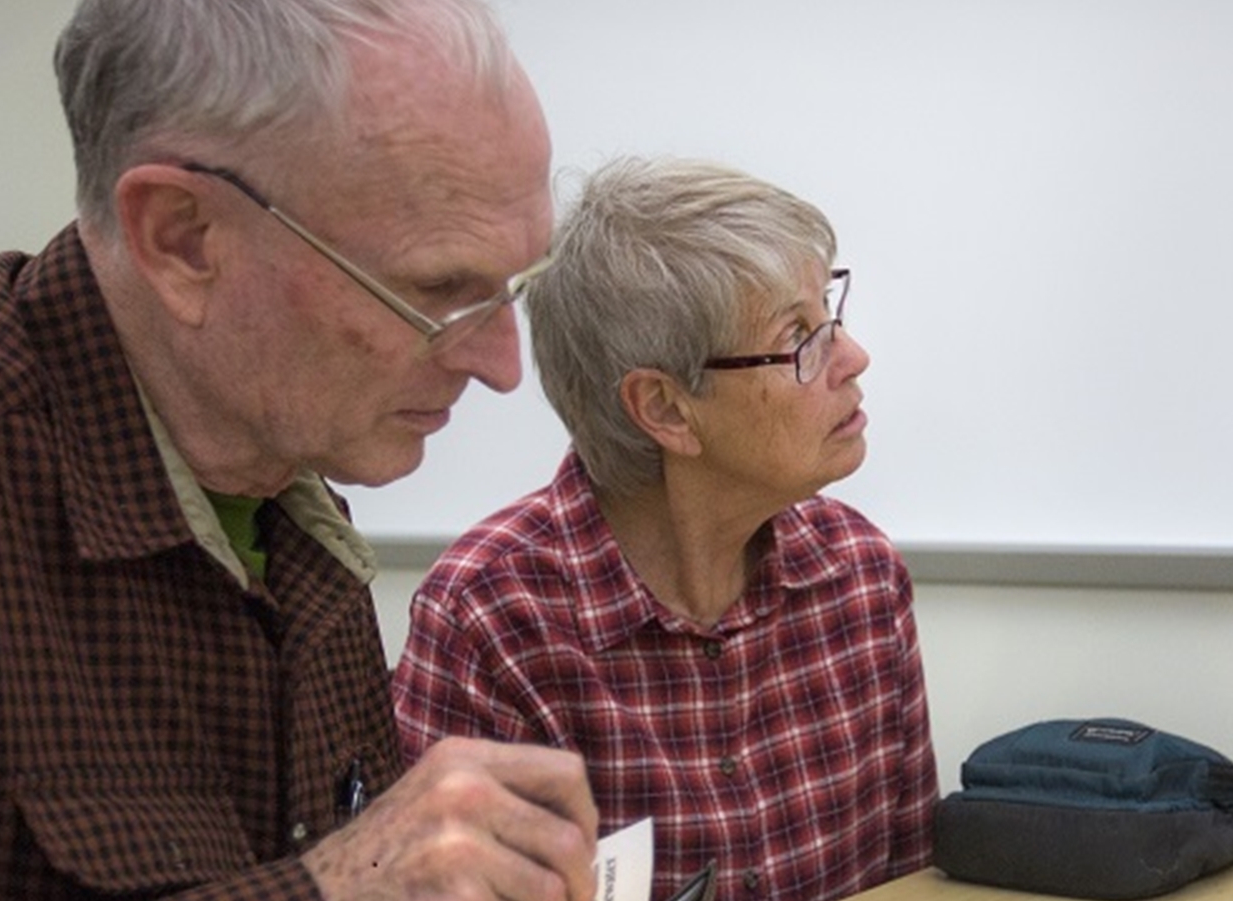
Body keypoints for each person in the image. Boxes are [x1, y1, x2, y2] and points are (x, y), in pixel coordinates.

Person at [0, 1, 603, 899]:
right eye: (438, 289)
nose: (503, 365)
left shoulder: (293, 504)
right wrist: (328, 888)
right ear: (183, 238)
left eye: (515, 286)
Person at [391, 156, 937, 901]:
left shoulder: (862, 577)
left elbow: (913, 882)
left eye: (831, 316)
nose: (853, 356)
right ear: (667, 409)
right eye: (800, 336)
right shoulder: (490, 618)